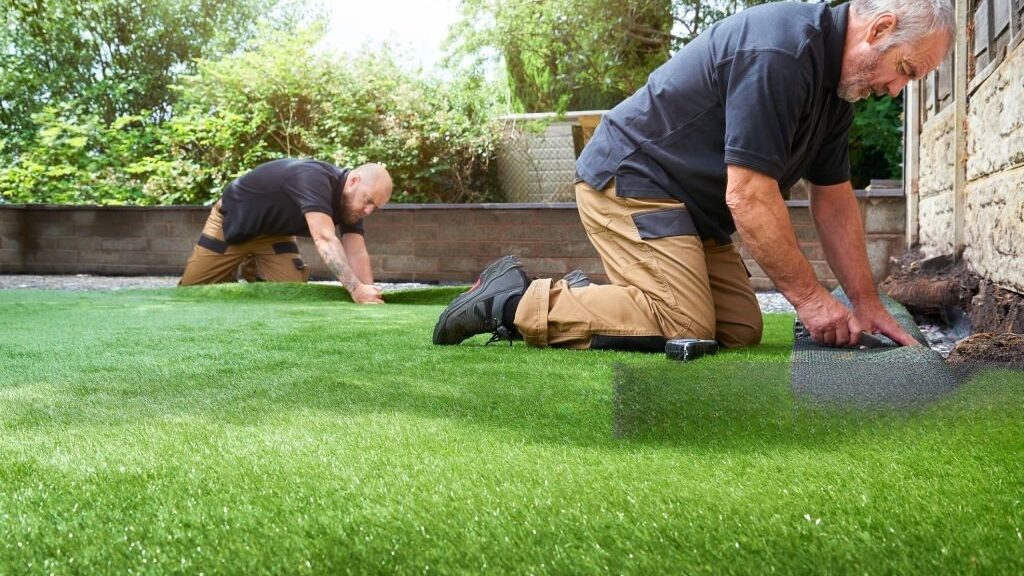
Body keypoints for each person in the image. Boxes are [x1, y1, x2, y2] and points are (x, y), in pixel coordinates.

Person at [433, 0, 953, 349]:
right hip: (632, 180)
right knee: (685, 322)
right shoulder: (782, 51)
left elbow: (834, 201)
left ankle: (588, 294)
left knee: (738, 328)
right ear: (879, 29)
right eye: (905, 71)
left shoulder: (837, 95)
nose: (895, 90)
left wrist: (864, 302)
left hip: (690, 212)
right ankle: (510, 300)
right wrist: (814, 301)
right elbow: (748, 196)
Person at [179, 159, 392, 304]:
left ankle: (252, 265)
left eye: (375, 208)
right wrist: (355, 289)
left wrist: (369, 293)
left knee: (292, 293)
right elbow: (325, 238)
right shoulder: (314, 178)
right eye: (369, 201)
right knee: (191, 293)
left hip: (274, 234)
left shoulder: (353, 206)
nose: (368, 210)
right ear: (354, 181)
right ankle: (245, 262)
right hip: (233, 223)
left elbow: (356, 249)